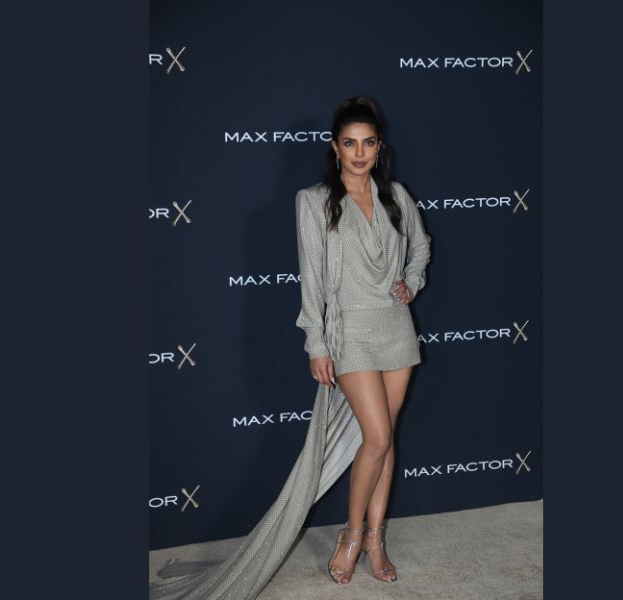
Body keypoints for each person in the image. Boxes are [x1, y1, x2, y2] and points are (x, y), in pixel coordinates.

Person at [149, 96, 431, 599]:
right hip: (349, 331)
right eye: (350, 143)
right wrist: (316, 343)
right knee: (376, 437)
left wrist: (411, 280)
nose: (359, 153)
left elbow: (422, 245)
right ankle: (350, 536)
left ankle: (375, 540)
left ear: (379, 147)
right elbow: (312, 279)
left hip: (396, 328)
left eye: (368, 143)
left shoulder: (396, 196)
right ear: (335, 147)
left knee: (386, 441)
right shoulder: (314, 201)